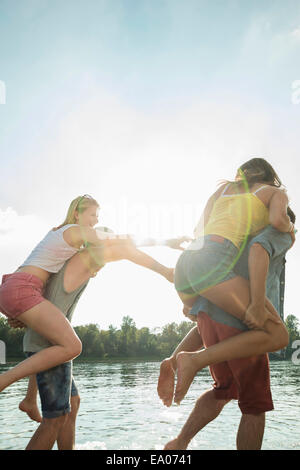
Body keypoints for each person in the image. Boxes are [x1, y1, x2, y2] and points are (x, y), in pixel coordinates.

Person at [7, 229, 187, 450]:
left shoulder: (68, 264)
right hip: (50, 346)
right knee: (53, 420)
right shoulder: (86, 258)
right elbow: (126, 247)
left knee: (72, 403)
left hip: (50, 345)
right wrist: (165, 266)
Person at [0, 195, 175, 394]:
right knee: (72, 347)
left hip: (14, 286)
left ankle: (29, 398)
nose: (96, 220)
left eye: (98, 216)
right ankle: (5, 379)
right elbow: (122, 243)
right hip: (23, 287)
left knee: (58, 347)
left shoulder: (58, 235)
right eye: (93, 214)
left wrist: (17, 311)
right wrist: (168, 244)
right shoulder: (74, 232)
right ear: (76, 214)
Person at [159, 219, 295, 450]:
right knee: (255, 404)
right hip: (245, 324)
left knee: (223, 390)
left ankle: (179, 442)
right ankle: (188, 360)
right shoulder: (273, 234)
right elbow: (259, 250)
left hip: (210, 313)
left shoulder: (233, 239)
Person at [171, 158, 293, 404]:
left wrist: (193, 293)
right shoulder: (275, 192)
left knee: (201, 317)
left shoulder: (223, 190)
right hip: (214, 259)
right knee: (278, 336)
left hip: (186, 264)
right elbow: (278, 221)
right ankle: (193, 360)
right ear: (271, 177)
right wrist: (290, 227)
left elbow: (198, 230)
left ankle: (171, 364)